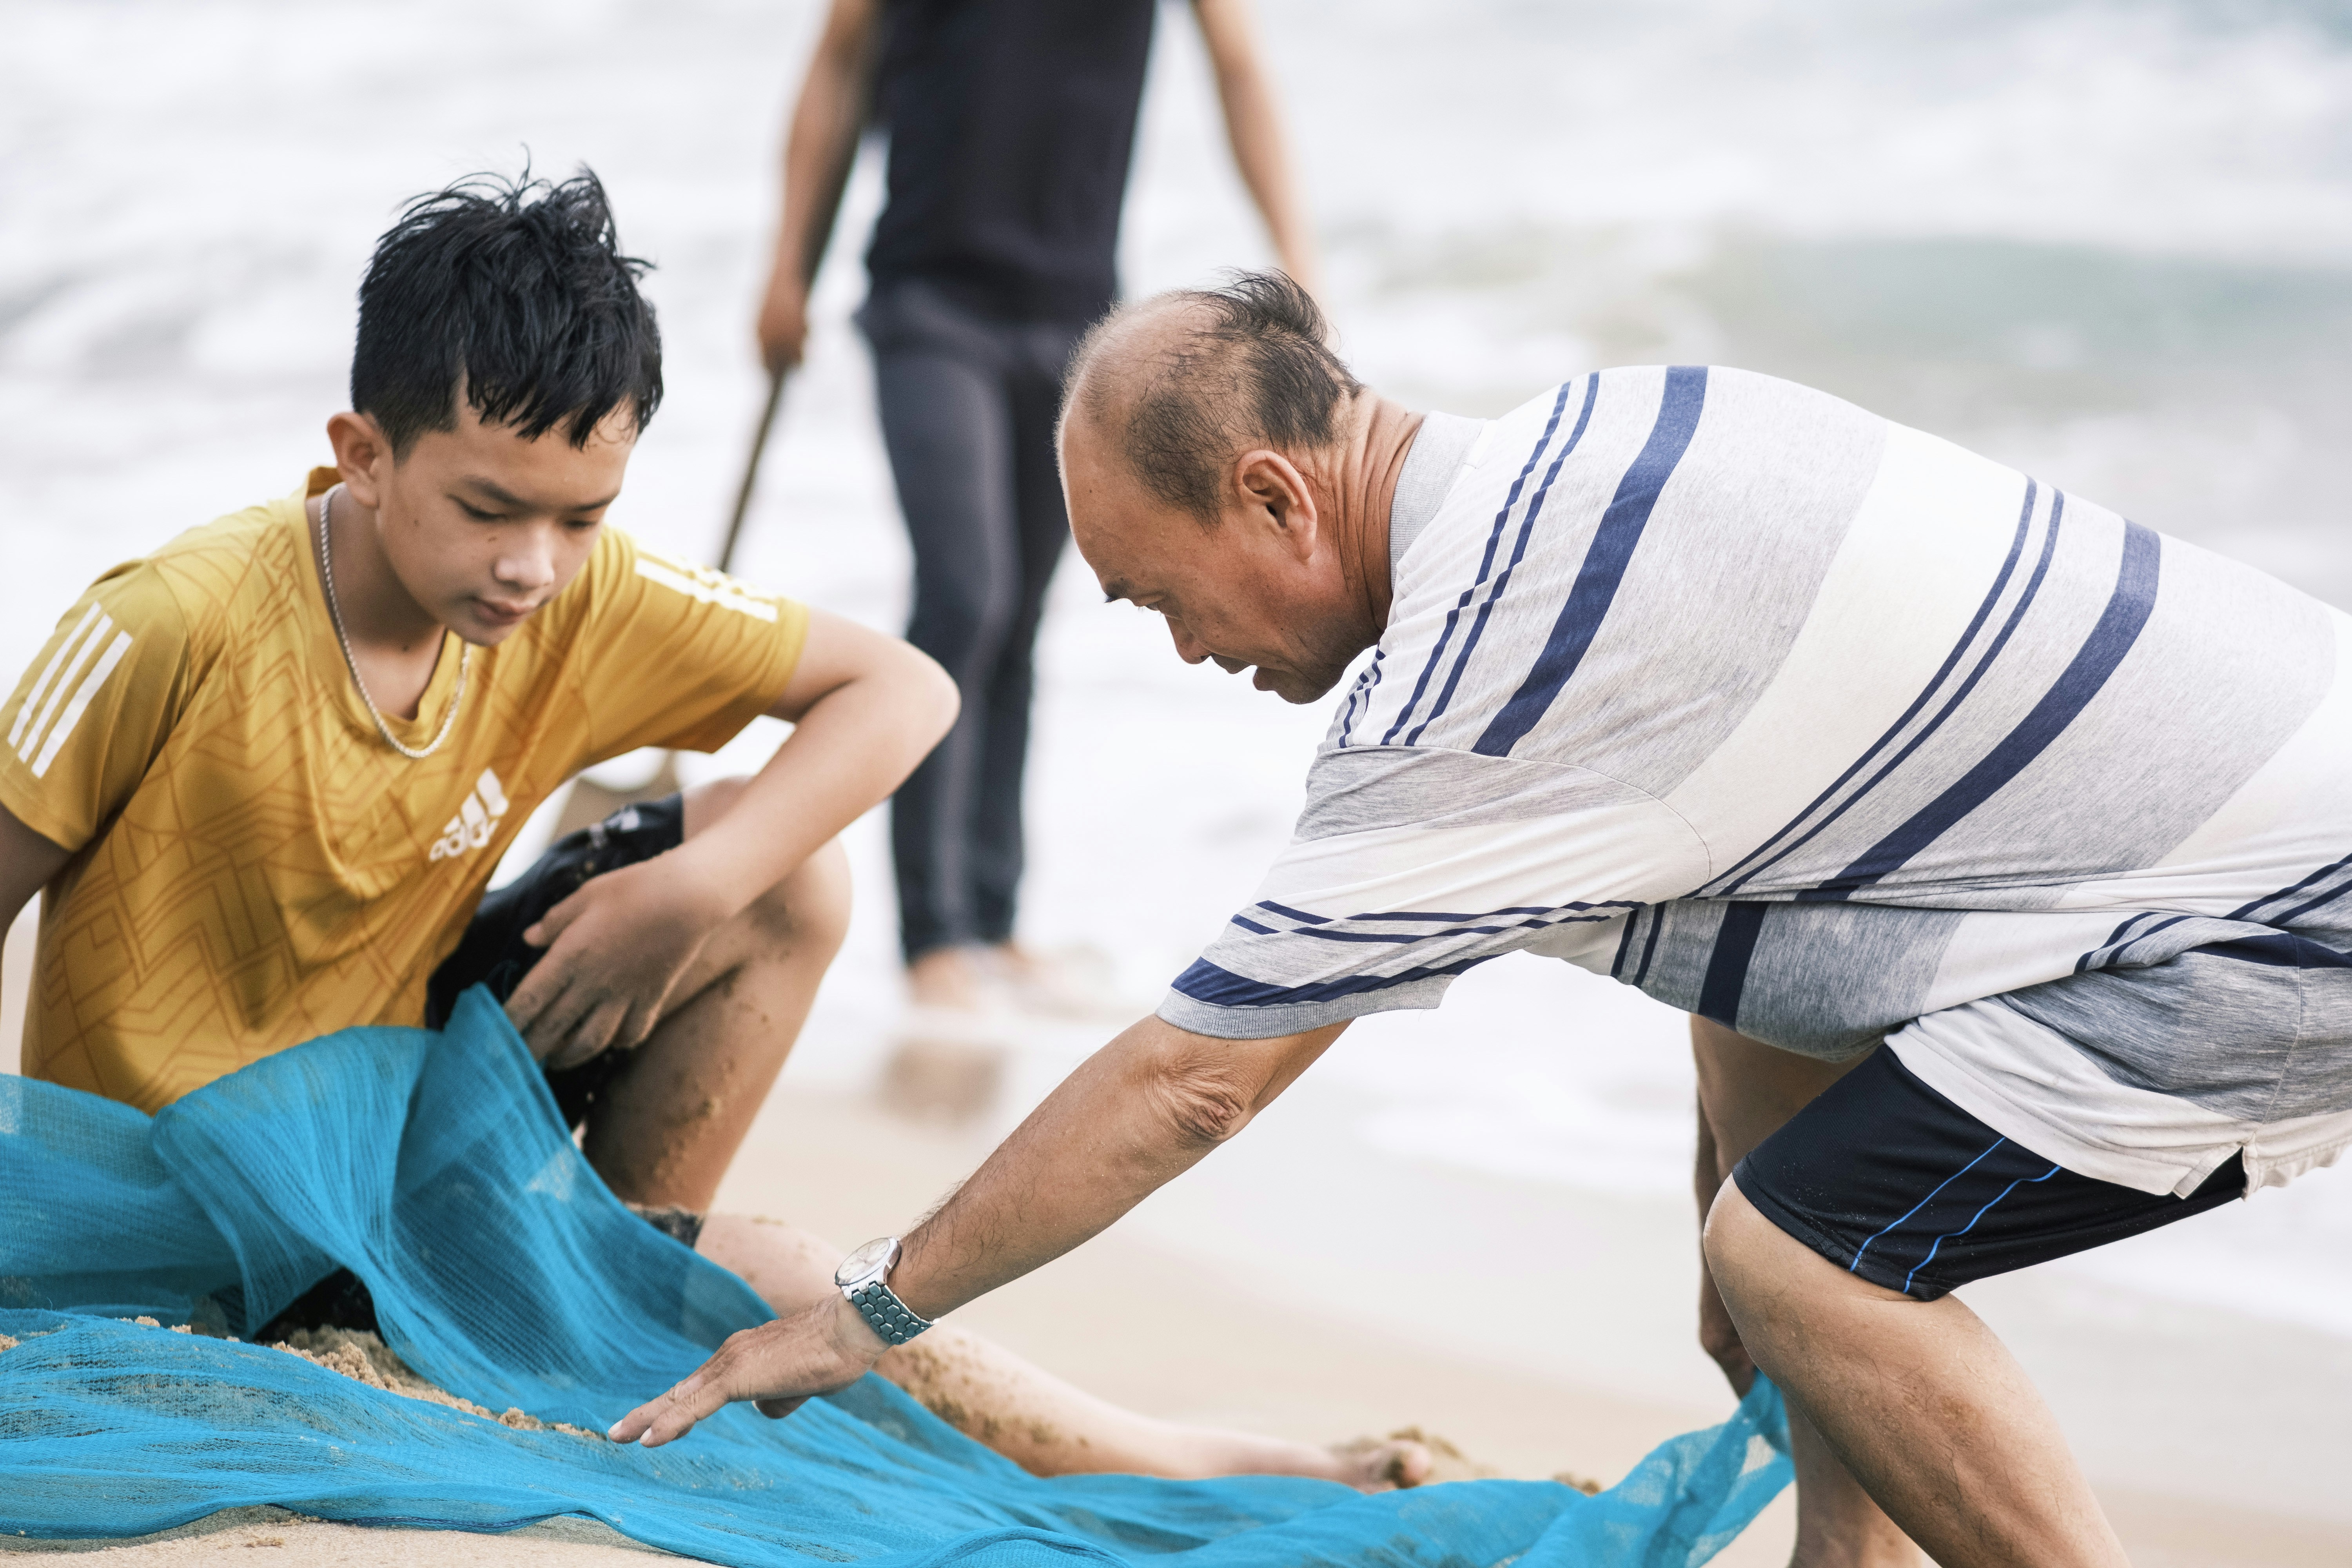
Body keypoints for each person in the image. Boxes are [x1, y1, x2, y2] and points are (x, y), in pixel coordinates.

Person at [615, 273, 2352, 1568]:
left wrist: (872, 1313)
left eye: (1160, 596)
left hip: (2284, 925)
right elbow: (1776, 880)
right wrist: (1713, 1190)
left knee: (1806, 1253)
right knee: (1787, 1241)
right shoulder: (1609, 430)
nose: (1185, 651)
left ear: (1277, 500)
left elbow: (1190, 1087)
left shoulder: (1470, 696)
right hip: (2277, 809)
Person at [0, 196, 1418, 1491]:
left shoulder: (576, 594)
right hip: (162, 1199)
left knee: (786, 878)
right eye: (487, 509)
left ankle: (613, 1284)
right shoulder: (169, 624)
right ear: (361, 456)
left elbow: (904, 691)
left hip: (401, 1146)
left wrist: (693, 885)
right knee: (797, 1271)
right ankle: (1170, 1452)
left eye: (581, 516)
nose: (532, 566)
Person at [756, 0, 1320, 1019]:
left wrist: (1295, 259)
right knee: (964, 593)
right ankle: (932, 940)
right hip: (929, 303)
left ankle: (992, 921)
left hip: (1079, 317)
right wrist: (788, 263)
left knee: (1017, 616)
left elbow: (1238, 64)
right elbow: (839, 62)